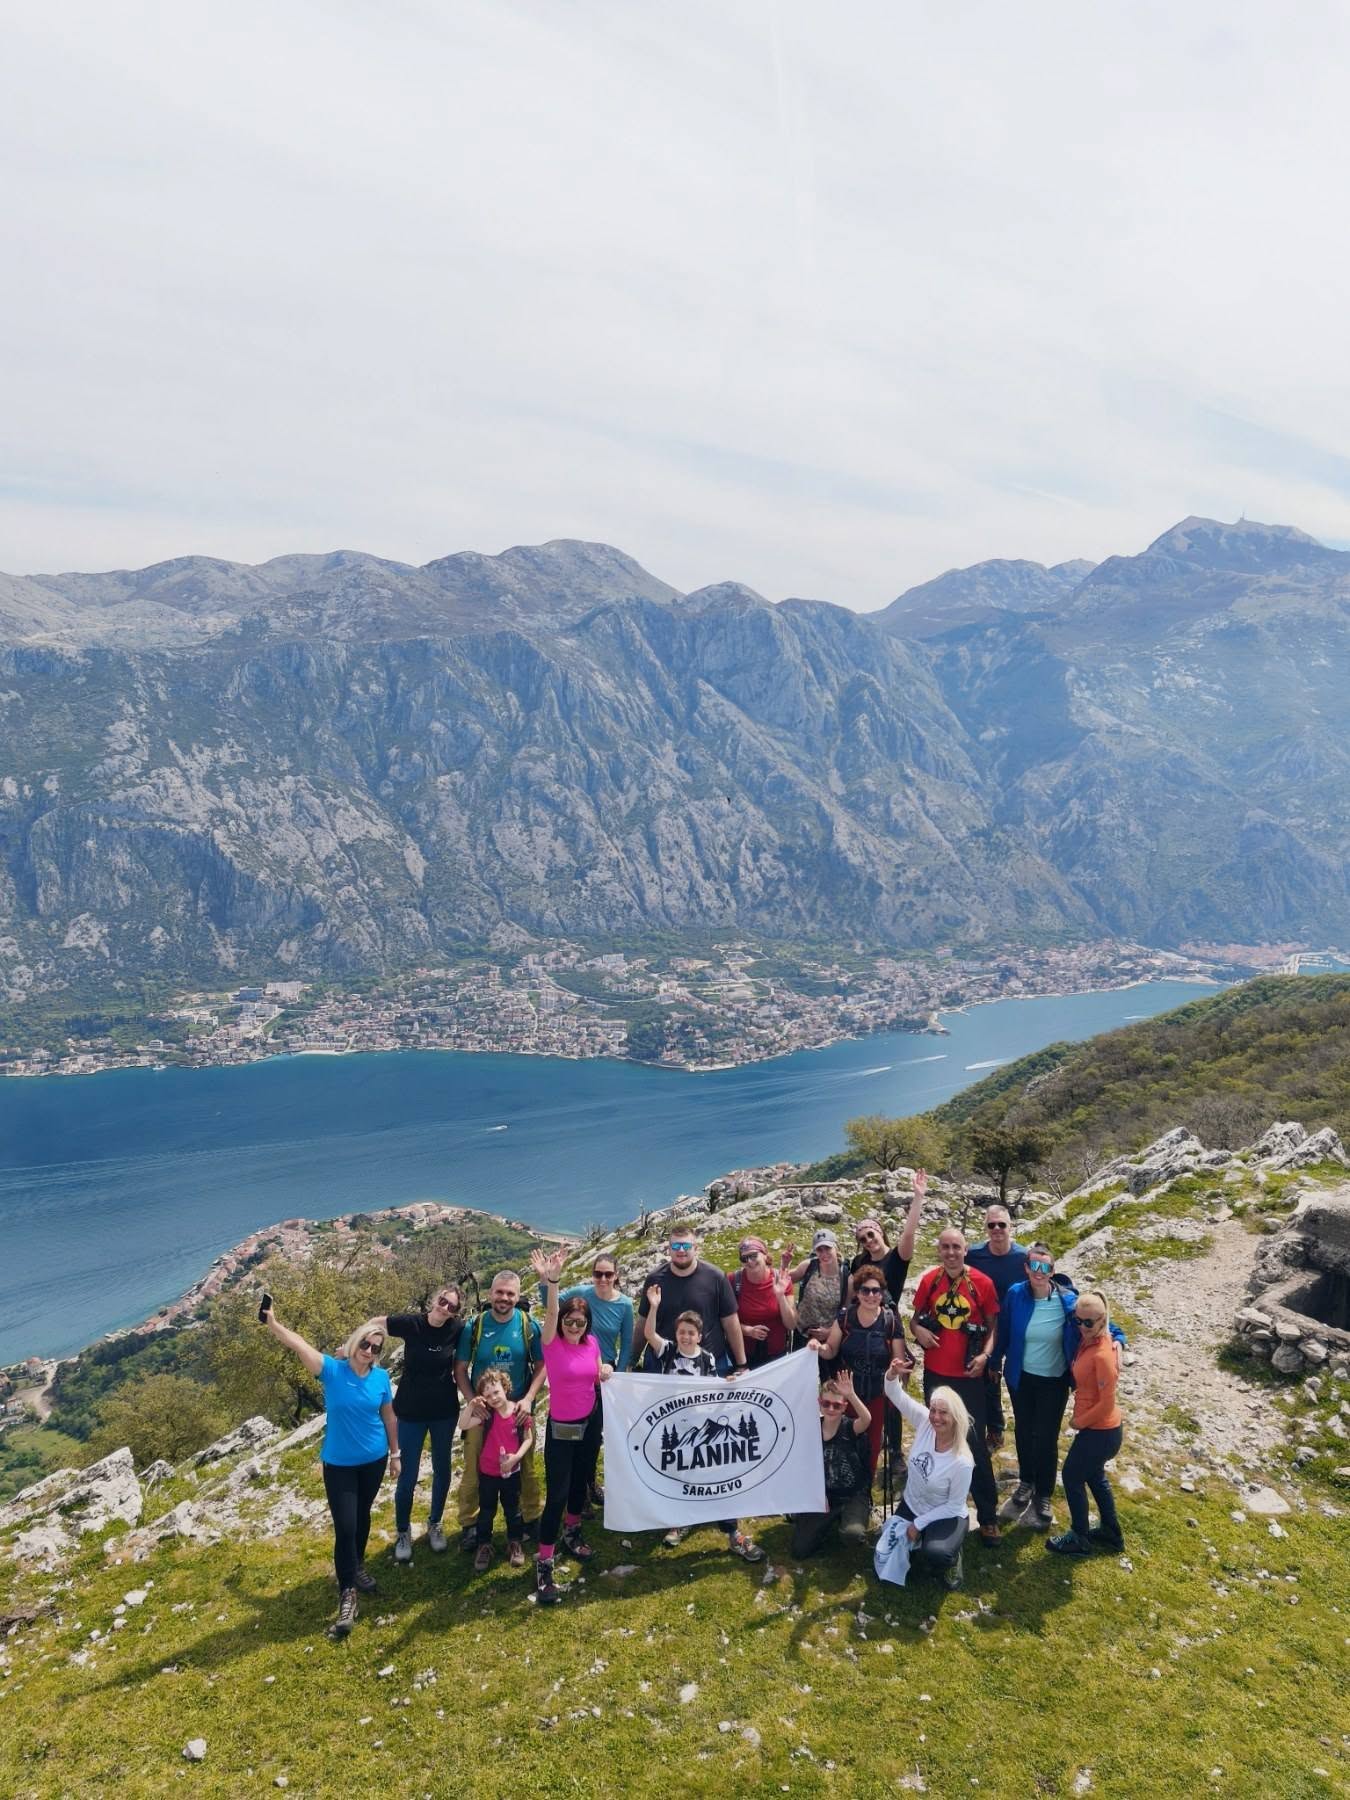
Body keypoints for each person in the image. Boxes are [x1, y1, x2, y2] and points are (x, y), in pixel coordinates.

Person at [260, 1301, 398, 1639]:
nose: (369, 1351)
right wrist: (273, 1324)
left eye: (376, 1348)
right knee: (346, 1526)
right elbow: (299, 1345)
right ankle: (347, 1592)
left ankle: (357, 1566)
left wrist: (396, 1453)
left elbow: (389, 1416)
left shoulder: (381, 1378)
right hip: (339, 1465)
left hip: (375, 1459)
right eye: (365, 1344)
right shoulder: (332, 1371)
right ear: (355, 1342)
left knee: (362, 1517)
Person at [642, 1296, 765, 1562]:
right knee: (678, 1474)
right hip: (674, 1426)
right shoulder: (668, 1350)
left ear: (699, 1336)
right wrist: (654, 1306)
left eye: (691, 1333)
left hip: (700, 1427)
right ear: (676, 1334)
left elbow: (712, 1389)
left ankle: (732, 1532)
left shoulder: (707, 1358)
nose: (685, 1337)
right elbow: (649, 1334)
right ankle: (679, 1521)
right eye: (681, 1332)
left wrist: (727, 1383)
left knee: (715, 1473)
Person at [529, 1247, 614, 1605]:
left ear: (587, 1325)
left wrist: (605, 1369)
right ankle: (544, 1561)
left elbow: (598, 1370)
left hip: (590, 1422)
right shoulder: (552, 1343)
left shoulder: (591, 1342)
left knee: (581, 1483)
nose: (574, 1327)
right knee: (558, 1495)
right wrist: (553, 1281)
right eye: (570, 1321)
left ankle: (573, 1532)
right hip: (561, 1428)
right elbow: (551, 1312)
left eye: (580, 1322)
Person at [910, 1228, 1002, 1545]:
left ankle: (988, 1517)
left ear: (965, 1250)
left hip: (969, 1376)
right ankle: (936, 1506)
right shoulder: (929, 1281)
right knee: (938, 1440)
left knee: (974, 1443)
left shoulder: (982, 1283)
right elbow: (914, 1319)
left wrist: (986, 1356)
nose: (950, 1253)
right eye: (945, 1247)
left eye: (956, 1247)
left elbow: (993, 1326)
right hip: (936, 1374)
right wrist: (918, 1332)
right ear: (939, 1250)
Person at [374, 1284, 464, 1563]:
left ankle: (435, 1523)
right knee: (407, 1475)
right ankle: (403, 1531)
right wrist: (355, 1350)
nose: (445, 1308)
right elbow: (375, 1323)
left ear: (455, 1313)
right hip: (410, 1412)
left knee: (442, 1470)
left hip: (443, 1412)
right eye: (443, 1301)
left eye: (452, 1306)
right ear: (434, 1299)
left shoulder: (457, 1329)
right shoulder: (412, 1323)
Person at [453, 1270, 544, 1549]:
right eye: (499, 1292)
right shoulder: (475, 1326)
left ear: (518, 1296)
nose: (504, 1298)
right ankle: (470, 1524)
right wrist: (472, 1400)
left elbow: (542, 1365)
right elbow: (460, 1368)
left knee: (525, 1466)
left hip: (517, 1410)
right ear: (490, 1293)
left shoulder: (528, 1325)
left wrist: (528, 1399)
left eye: (510, 1293)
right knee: (474, 1468)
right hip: (482, 1411)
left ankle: (530, 1518)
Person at [993, 1244, 1077, 1529]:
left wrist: (1117, 1340)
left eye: (1045, 1267)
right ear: (1026, 1268)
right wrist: (994, 1361)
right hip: (1022, 1377)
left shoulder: (1067, 1300)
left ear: (1052, 1271)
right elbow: (1004, 1330)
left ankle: (1044, 1494)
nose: (1039, 1272)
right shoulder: (1016, 1294)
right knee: (1024, 1431)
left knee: (1046, 1437)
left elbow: (1097, 1321)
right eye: (1034, 1266)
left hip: (1054, 1380)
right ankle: (1026, 1482)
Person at [881, 1357, 974, 1589]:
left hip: (945, 1515)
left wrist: (918, 1524)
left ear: (955, 1418)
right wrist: (892, 1374)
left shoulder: (962, 1461)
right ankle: (920, 1540)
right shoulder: (925, 1422)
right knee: (885, 1554)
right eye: (933, 1410)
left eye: (943, 1413)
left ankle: (953, 1556)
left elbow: (953, 1506)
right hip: (912, 1504)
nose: (936, 1417)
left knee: (936, 1555)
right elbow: (895, 1395)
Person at [550, 1253, 634, 1509]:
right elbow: (551, 1306)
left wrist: (617, 1375)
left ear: (616, 1275)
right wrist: (549, 1279)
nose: (603, 1279)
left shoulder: (625, 1305)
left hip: (604, 1378)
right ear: (592, 1274)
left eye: (608, 1274)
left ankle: (588, 1484)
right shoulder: (581, 1293)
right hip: (576, 1373)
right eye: (598, 1274)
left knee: (593, 1438)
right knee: (577, 1438)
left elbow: (627, 1343)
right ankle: (578, 1492)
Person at [1048, 1291, 1125, 1555]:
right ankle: (1111, 1533)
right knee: (1094, 1476)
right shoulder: (1091, 1340)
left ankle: (1079, 1537)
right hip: (1100, 1430)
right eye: (1077, 1320)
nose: (1081, 1326)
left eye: (1088, 1322)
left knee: (1071, 1476)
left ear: (1102, 1320)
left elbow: (1107, 1403)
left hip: (1101, 1431)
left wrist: (1078, 1421)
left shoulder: (1103, 1354)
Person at [818, 1264, 909, 1482]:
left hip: (877, 1395)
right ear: (857, 1293)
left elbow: (898, 1359)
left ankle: (864, 1489)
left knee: (872, 1445)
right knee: (844, 1443)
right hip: (846, 1395)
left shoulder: (891, 1321)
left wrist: (896, 1370)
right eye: (865, 1290)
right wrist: (818, 1347)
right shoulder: (844, 1318)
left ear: (882, 1293)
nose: (871, 1295)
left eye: (876, 1290)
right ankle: (842, 1487)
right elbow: (831, 1350)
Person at [637, 1232, 749, 1375]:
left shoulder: (716, 1277)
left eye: (686, 1246)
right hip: (662, 1363)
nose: (681, 1250)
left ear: (696, 1248)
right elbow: (643, 1322)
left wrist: (741, 1364)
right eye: (676, 1246)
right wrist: (631, 1360)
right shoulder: (654, 1279)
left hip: (710, 1363)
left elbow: (730, 1322)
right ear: (669, 1250)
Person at [965, 1202, 1029, 1452]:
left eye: (1001, 1224)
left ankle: (1024, 1429)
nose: (997, 1229)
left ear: (1010, 1226)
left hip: (1014, 1327)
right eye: (991, 1225)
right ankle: (994, 1430)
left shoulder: (1023, 1257)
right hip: (984, 1326)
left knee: (1016, 1379)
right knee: (987, 1379)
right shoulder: (974, 1255)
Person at [790, 1365, 872, 1557]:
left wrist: (851, 1395)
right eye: (826, 1404)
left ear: (844, 1407)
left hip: (853, 1494)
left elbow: (866, 1419)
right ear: (819, 1403)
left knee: (853, 1535)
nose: (831, 1409)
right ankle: (826, 1524)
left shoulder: (850, 1427)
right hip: (824, 1495)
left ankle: (852, 1517)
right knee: (799, 1550)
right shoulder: (812, 1429)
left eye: (837, 1405)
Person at [465, 1368, 534, 1572]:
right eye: (487, 1395)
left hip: (511, 1471)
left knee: (513, 1509)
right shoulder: (486, 1415)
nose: (493, 1398)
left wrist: (517, 1457)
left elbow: (528, 1438)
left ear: (505, 1388)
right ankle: (484, 1544)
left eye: (496, 1392)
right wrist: (471, 1405)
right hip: (488, 1472)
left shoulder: (519, 1412)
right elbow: (463, 1423)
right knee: (486, 1510)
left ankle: (514, 1543)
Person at [849, 1169, 929, 1304]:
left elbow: (908, 1234)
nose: (868, 1240)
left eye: (870, 1234)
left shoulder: (898, 1258)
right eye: (863, 1239)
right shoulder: (858, 1262)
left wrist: (918, 1197)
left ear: (880, 1232)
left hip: (887, 1315)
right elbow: (853, 1293)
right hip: (861, 1314)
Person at [785, 1229, 851, 1357]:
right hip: (802, 1334)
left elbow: (848, 1312)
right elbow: (784, 1280)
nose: (824, 1253)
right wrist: (785, 1264)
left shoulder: (847, 1277)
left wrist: (830, 1332)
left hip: (828, 1341)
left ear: (836, 1248)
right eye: (820, 1250)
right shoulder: (809, 1266)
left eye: (828, 1248)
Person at [732, 1237, 796, 1367]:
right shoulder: (733, 1281)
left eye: (753, 1256)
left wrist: (780, 1296)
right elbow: (725, 1321)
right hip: (743, 1356)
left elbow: (791, 1324)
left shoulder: (781, 1280)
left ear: (765, 1255)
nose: (749, 1261)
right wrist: (748, 1331)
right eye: (744, 1258)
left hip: (777, 1356)